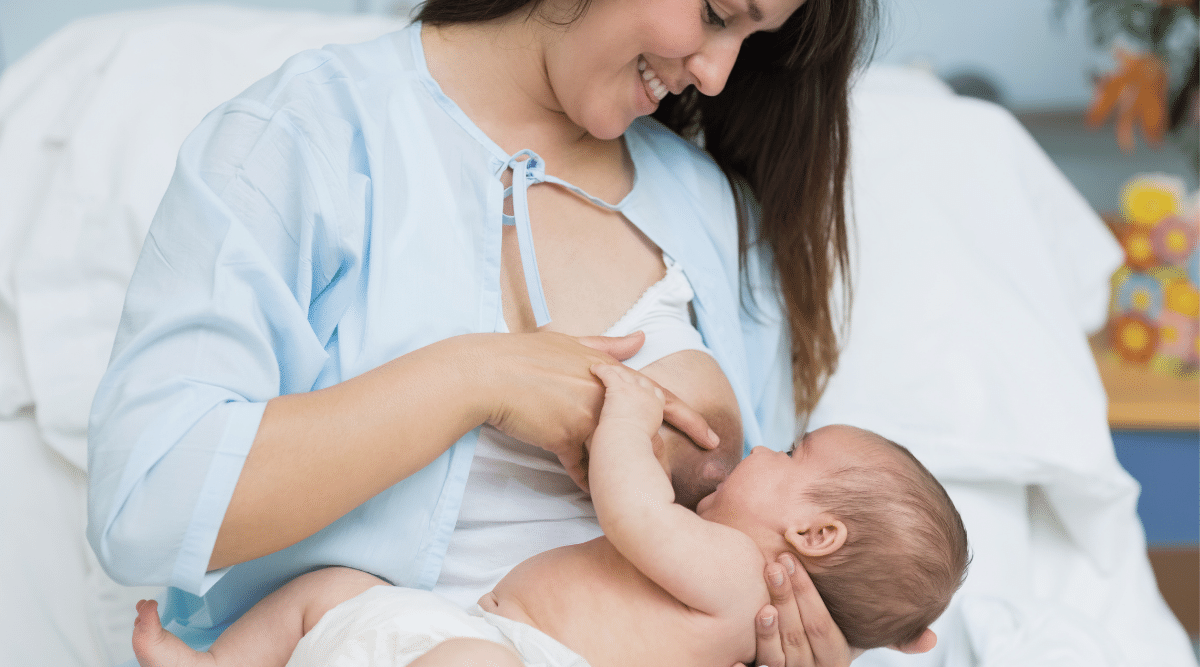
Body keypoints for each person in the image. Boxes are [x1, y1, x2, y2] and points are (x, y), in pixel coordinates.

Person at [88, 0, 934, 664]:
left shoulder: (713, 214)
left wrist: (791, 641)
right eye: (718, 11)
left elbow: (767, 537)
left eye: (750, 37)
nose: (716, 77)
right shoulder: (305, 136)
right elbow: (146, 501)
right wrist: (474, 380)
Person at [128, 356, 967, 667]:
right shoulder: (748, 600)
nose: (764, 448)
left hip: (506, 654)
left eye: (792, 454)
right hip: (455, 626)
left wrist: (630, 414)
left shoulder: (742, 574)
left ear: (813, 534)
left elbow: (631, 508)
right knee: (338, 586)